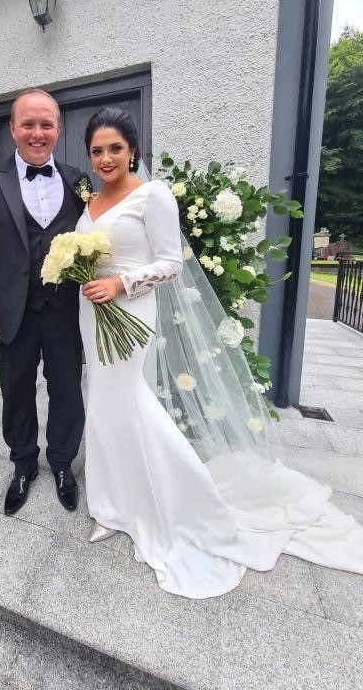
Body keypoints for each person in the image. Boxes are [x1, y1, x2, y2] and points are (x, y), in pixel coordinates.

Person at [76, 106, 363, 599]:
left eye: (115, 148)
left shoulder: (153, 195)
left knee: (132, 406)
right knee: (101, 407)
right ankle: (111, 505)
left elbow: (169, 262)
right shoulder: (90, 203)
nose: (105, 158)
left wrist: (122, 282)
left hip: (131, 312)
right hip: (93, 316)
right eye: (97, 150)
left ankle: (184, 503)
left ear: (133, 150)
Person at [0, 89, 88, 516]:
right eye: (28, 124)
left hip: (66, 311)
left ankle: (64, 464)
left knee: (67, 389)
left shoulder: (78, 181)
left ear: (58, 129)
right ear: (12, 129)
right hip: (9, 312)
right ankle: (23, 465)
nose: (37, 133)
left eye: (46, 124)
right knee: (16, 391)